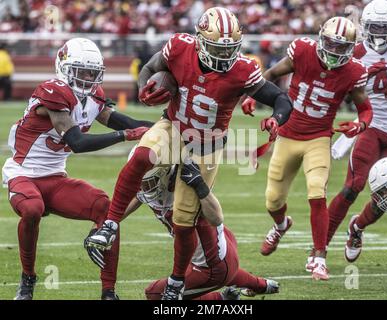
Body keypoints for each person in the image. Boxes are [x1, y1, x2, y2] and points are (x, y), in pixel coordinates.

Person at [86, 6, 293, 300]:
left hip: (207, 145)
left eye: (229, 49)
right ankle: (109, 225)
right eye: (215, 48)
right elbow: (149, 68)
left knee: (184, 220)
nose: (223, 56)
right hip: (173, 125)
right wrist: (145, 87)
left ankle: (177, 280)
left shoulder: (243, 69)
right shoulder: (180, 47)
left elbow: (279, 98)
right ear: (199, 40)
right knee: (142, 156)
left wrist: (276, 118)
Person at [1, 37, 152, 300]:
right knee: (33, 208)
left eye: (92, 73)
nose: (87, 77)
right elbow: (78, 143)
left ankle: (108, 291)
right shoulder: (53, 92)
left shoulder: (93, 96)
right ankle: (28, 279)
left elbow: (120, 120)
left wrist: (165, 126)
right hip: (24, 174)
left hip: (56, 177)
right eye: (81, 71)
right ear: (64, 67)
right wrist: (126, 135)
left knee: (106, 210)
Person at [241, 16, 373, 280]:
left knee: (316, 191)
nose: (335, 51)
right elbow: (270, 75)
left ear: (350, 48)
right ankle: (281, 225)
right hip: (288, 135)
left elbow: (366, 110)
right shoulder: (302, 51)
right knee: (273, 199)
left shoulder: (354, 71)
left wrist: (359, 126)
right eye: (331, 44)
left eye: (341, 46)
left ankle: (319, 257)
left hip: (318, 138)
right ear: (321, 39)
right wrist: (251, 95)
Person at [85, 146, 280, 300]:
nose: (142, 187)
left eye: (147, 183)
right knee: (201, 267)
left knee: (156, 294)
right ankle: (262, 284)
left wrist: (199, 184)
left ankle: (221, 298)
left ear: (164, 175)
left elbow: (216, 217)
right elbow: (131, 202)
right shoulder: (152, 188)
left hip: (213, 263)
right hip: (218, 249)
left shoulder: (184, 186)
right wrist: (100, 229)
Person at [326, 0, 387, 263]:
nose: (380, 34)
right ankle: (319, 250)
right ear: (365, 27)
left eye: (385, 28)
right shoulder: (355, 53)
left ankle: (356, 228)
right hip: (372, 127)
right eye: (375, 27)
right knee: (353, 186)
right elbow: (336, 88)